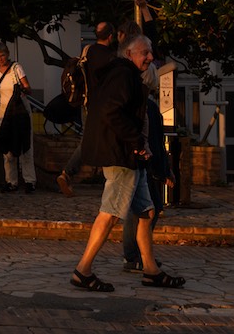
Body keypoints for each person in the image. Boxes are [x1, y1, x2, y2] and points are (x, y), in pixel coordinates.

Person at [69, 33, 185, 292]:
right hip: (122, 156)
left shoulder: (120, 74)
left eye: (151, 52)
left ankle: (151, 270)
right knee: (110, 214)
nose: (150, 57)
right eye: (145, 53)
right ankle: (83, 270)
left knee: (147, 212)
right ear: (129, 53)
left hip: (130, 156)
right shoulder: (124, 75)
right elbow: (111, 112)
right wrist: (136, 143)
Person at [121, 63, 172, 273]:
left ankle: (138, 256)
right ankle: (136, 255)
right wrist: (162, 170)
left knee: (142, 211)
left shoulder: (139, 103)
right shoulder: (147, 105)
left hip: (139, 162)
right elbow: (154, 140)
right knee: (146, 212)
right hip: (145, 163)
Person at [58, 20, 117, 196]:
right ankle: (68, 173)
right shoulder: (112, 57)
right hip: (104, 107)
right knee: (96, 141)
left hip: (87, 104)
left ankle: (68, 175)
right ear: (111, 36)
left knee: (90, 140)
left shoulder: (88, 51)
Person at [0, 41, 34, 193]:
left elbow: (28, 87)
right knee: (7, 147)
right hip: (3, 112)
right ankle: (11, 181)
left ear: (8, 55)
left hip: (20, 111)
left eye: (2, 56)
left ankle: (29, 180)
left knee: (25, 145)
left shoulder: (16, 68)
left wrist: (23, 90)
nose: (0, 59)